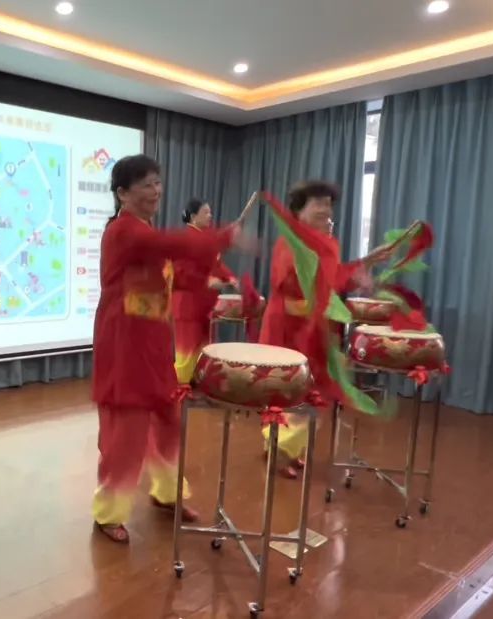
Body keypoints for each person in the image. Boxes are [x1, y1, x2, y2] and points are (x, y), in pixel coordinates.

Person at [91, 155, 251, 543]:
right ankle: (108, 512)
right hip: (125, 342)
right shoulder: (123, 231)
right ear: (122, 193)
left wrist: (208, 283)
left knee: (168, 419)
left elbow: (170, 276)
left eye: (158, 183)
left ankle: (167, 492)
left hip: (153, 340)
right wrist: (220, 237)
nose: (156, 191)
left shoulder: (144, 230)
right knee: (127, 431)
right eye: (146, 184)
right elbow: (169, 244)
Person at [258, 180, 387, 479]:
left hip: (313, 328)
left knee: (313, 392)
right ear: (298, 210)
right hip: (288, 327)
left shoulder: (326, 243)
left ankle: (283, 447)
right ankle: (279, 447)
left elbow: (333, 280)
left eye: (328, 204)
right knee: (288, 390)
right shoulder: (290, 242)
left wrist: (365, 264)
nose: (325, 209)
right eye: (317, 203)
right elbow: (298, 282)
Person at [171, 198, 237, 384]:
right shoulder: (185, 239)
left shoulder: (206, 239)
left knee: (204, 350)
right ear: (193, 217)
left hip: (204, 305)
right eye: (205, 212)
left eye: (210, 212)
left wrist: (230, 278)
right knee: (187, 353)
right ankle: (180, 389)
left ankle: (196, 385)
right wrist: (206, 281)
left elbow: (217, 265)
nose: (210, 215)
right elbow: (180, 272)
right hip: (188, 305)